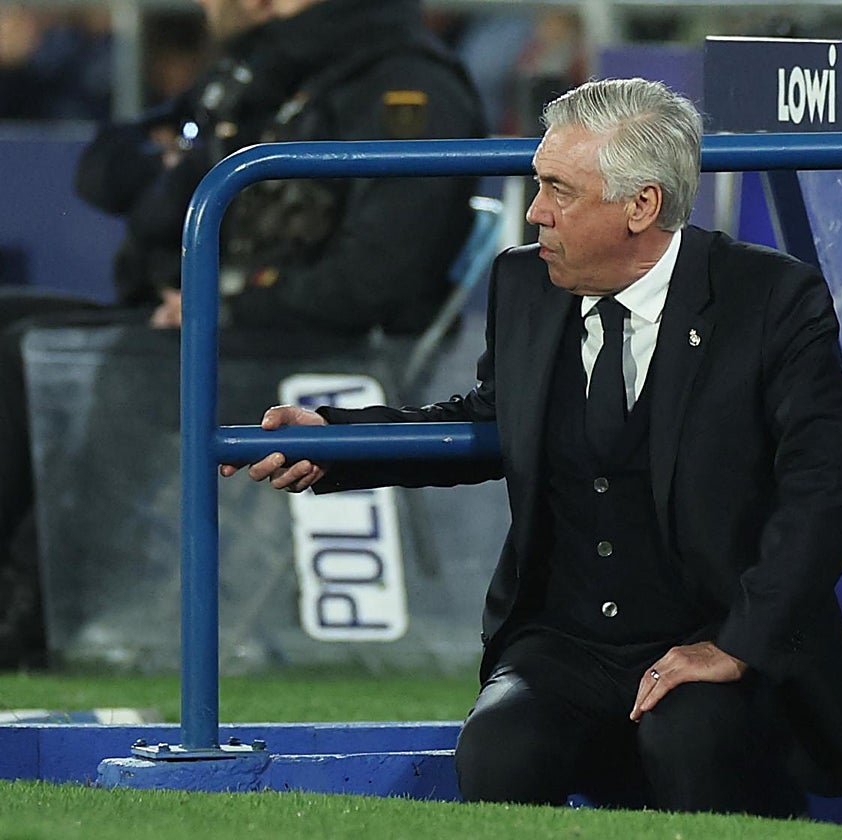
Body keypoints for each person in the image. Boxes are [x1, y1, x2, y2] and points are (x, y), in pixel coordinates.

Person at [224, 78, 842, 815]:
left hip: (712, 624)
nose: (535, 211)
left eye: (558, 190)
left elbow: (823, 486)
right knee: (499, 748)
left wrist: (735, 644)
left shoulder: (772, 298)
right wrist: (338, 442)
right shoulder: (523, 281)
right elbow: (490, 418)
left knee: (692, 740)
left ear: (642, 205)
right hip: (563, 641)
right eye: (539, 185)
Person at [0, 0, 486, 668]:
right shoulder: (260, 65)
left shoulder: (407, 85)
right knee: (12, 323)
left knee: (84, 362)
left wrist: (227, 306)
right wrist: (173, 180)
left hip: (322, 343)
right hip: (215, 318)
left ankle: (39, 608)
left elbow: (381, 276)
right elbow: (107, 170)